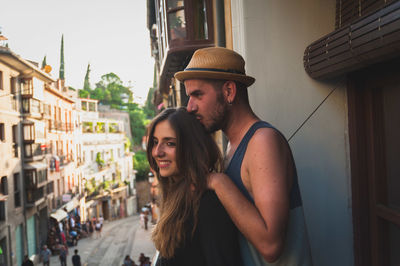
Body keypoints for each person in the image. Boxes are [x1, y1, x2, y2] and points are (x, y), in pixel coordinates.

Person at [175, 47, 313, 265]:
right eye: (188, 96)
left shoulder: (262, 142)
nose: (189, 107)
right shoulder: (233, 146)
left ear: (229, 91)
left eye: (197, 95)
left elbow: (271, 245)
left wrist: (217, 181)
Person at [146, 107, 242, 266]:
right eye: (155, 142)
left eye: (170, 143)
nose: (157, 152)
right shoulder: (179, 198)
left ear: (191, 148)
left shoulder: (207, 203)